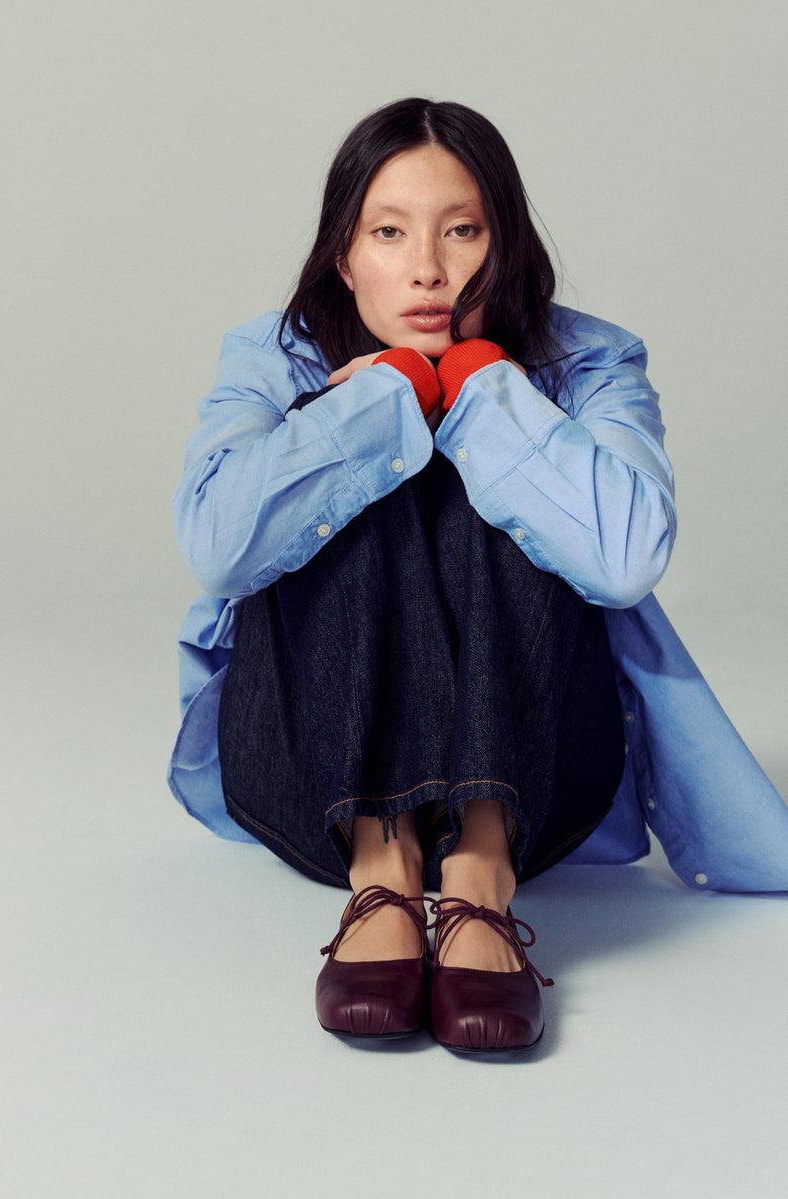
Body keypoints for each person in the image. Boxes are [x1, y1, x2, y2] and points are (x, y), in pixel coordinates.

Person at [169, 98, 788, 1056]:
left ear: (505, 244)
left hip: (536, 763)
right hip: (312, 762)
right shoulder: (268, 353)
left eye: (462, 230)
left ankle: (481, 870)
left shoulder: (591, 358)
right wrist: (383, 395)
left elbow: (623, 559)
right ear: (344, 255)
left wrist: (481, 386)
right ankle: (381, 864)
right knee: (361, 467)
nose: (428, 267)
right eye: (388, 232)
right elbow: (218, 544)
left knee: (514, 476)